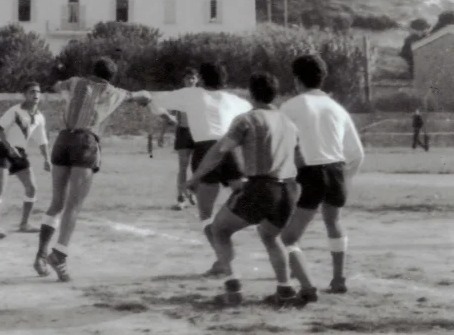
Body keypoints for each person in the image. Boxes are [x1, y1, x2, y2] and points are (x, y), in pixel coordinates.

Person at [185, 72, 302, 307]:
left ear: (251, 93)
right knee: (271, 236)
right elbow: (300, 159)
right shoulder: (288, 122)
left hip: (262, 186)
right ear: (275, 94)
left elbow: (219, 150)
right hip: (289, 189)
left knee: (219, 229)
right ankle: (285, 290)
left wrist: (195, 178)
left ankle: (233, 287)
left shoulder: (246, 120)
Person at [32, 57, 151, 282]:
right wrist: (147, 98)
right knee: (73, 206)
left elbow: (57, 85)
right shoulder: (113, 91)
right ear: (111, 77)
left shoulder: (76, 82)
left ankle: (41, 255)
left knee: (56, 203)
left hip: (63, 139)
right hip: (86, 141)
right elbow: (141, 96)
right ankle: (59, 254)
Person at [144, 62, 253, 277]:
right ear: (225, 80)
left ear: (201, 79)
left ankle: (223, 258)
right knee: (246, 198)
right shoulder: (235, 100)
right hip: (230, 152)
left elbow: (154, 99)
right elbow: (252, 114)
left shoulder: (191, 94)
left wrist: (160, 112)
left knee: (205, 214)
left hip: (205, 151)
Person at [279, 54, 365, 301]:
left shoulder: (291, 106)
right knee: (333, 222)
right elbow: (357, 154)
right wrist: (345, 180)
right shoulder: (337, 108)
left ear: (297, 80)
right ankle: (339, 279)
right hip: (336, 169)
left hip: (309, 172)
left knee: (287, 237)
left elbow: (284, 146)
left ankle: (304, 283)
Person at [0, 82, 51, 239]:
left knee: (31, 188)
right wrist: (9, 148)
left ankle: (24, 224)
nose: (35, 95)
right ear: (25, 94)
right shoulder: (15, 111)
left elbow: (42, 140)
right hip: (4, 150)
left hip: (20, 153)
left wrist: (47, 159)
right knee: (0, 187)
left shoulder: (39, 117)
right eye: (31, 92)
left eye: (38, 92)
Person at [158, 67, 199, 210]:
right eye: (188, 78)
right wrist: (162, 134)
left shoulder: (201, 95)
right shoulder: (179, 96)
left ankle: (192, 192)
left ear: (197, 80)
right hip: (183, 131)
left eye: (193, 78)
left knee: (197, 167)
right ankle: (181, 197)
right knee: (183, 166)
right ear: (184, 80)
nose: (190, 80)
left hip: (199, 133)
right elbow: (169, 116)